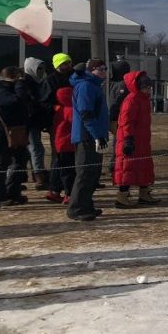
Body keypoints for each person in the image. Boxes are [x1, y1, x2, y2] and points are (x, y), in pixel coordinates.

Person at [67, 59, 109, 222]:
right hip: (87, 136)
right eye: (100, 69)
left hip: (94, 134)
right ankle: (76, 208)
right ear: (91, 70)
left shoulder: (94, 86)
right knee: (85, 173)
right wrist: (97, 135)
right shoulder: (86, 86)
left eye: (105, 68)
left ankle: (86, 205)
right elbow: (86, 114)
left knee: (93, 173)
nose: (104, 71)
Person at [114, 71, 157, 208]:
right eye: (146, 87)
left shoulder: (144, 99)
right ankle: (122, 196)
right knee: (127, 168)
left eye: (150, 88)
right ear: (138, 87)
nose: (148, 90)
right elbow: (126, 122)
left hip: (142, 140)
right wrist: (128, 139)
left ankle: (144, 193)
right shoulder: (131, 100)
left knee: (144, 166)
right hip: (131, 139)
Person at [40, 53, 74, 200]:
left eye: (68, 63)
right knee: (62, 157)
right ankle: (62, 190)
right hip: (58, 121)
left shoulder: (73, 77)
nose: (66, 66)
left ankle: (56, 189)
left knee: (61, 157)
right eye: (63, 64)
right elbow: (43, 102)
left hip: (70, 119)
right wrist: (56, 108)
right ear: (57, 65)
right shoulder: (50, 80)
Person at [0, 67, 31, 208]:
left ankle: (13, 191)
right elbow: (18, 101)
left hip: (17, 131)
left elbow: (26, 102)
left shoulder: (12, 88)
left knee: (21, 159)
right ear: (12, 77)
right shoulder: (0, 89)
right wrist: (20, 84)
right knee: (1, 163)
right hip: (1, 132)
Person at [20, 57, 52, 190]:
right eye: (38, 68)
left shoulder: (36, 81)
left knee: (30, 149)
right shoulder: (25, 83)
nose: (41, 71)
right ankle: (39, 176)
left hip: (34, 121)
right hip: (28, 122)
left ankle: (34, 174)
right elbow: (29, 102)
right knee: (36, 148)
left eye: (42, 69)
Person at [49, 81, 76, 205]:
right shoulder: (70, 110)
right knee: (68, 171)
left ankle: (55, 190)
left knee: (59, 167)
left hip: (59, 143)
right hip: (68, 144)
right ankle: (69, 194)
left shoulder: (58, 108)